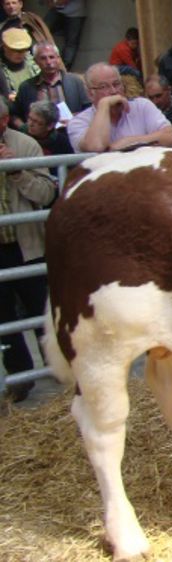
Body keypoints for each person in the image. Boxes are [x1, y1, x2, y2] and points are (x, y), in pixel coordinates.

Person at [0, 96, 56, 403]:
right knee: (4, 317)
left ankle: (56, 365)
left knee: (41, 308)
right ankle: (18, 377)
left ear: (6, 121)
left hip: (26, 244)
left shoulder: (25, 145)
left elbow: (47, 192)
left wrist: (17, 171)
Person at [67, 63, 172, 153]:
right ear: (90, 94)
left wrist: (130, 142)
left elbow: (170, 137)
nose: (114, 91)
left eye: (116, 84)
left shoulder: (142, 106)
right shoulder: (78, 122)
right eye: (103, 87)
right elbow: (97, 146)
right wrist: (104, 106)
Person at [11, 41, 89, 130]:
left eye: (52, 57)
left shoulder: (75, 82)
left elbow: (90, 110)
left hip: (70, 134)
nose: (48, 62)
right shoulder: (26, 87)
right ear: (36, 61)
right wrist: (24, 128)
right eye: (43, 58)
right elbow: (14, 115)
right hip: (38, 139)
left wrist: (75, 119)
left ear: (58, 59)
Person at [43, 0, 85, 69]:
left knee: (71, 43)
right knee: (40, 31)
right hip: (56, 10)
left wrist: (56, 2)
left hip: (75, 12)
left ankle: (63, 69)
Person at [1, 28, 39, 99]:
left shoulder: (33, 62)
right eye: (15, 50)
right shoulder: (2, 70)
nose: (20, 54)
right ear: (5, 47)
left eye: (23, 50)